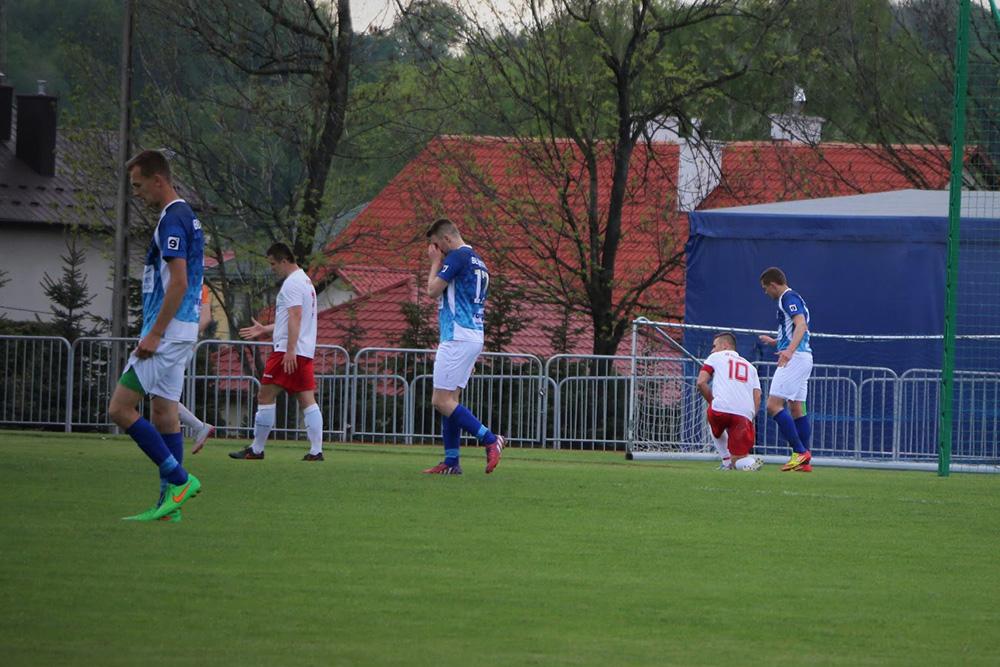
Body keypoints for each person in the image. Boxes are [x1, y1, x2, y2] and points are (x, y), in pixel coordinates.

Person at [109, 149, 203, 522]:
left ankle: (180, 480)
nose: (136, 193)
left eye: (138, 185)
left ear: (157, 180)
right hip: (180, 330)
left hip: (167, 333)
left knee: (120, 408)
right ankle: (169, 507)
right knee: (164, 413)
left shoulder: (172, 220)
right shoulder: (185, 216)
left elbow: (178, 283)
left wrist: (155, 334)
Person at [422, 218, 504, 475]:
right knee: (452, 400)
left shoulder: (457, 257)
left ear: (447, 239)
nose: (437, 251)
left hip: (457, 335)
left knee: (440, 400)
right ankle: (451, 461)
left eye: (437, 245)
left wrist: (435, 263)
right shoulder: (478, 260)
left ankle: (490, 439)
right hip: (473, 334)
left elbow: (432, 290)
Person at [229, 242, 324, 461]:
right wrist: (266, 329)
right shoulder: (305, 281)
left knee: (265, 395)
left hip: (287, 351)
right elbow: (295, 318)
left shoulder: (292, 283)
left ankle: (257, 449)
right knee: (307, 399)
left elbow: (295, 317)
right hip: (304, 350)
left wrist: (289, 350)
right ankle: (316, 451)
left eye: (273, 264)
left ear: (284, 261)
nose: (272, 268)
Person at [758, 267, 813, 472]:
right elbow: (794, 328)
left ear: (773, 285)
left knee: (773, 406)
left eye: (765, 288)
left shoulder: (788, 297)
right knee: (796, 408)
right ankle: (804, 462)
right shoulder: (792, 298)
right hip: (804, 357)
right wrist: (777, 341)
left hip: (795, 358)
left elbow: (801, 325)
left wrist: (789, 351)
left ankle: (800, 452)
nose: (766, 293)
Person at [696, 332, 763, 471]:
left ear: (725, 346)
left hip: (720, 409)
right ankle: (751, 463)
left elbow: (701, 382)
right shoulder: (751, 367)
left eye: (714, 346)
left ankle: (726, 462)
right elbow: (757, 396)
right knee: (740, 458)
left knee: (714, 424)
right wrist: (750, 416)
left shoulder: (715, 357)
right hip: (744, 414)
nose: (712, 350)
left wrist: (712, 402)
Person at [178, 282, 215, 454]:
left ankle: (199, 427)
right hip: (187, 346)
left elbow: (205, 318)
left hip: (176, 345)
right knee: (163, 397)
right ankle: (198, 427)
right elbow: (206, 319)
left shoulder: (179, 282)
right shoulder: (201, 286)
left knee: (162, 396)